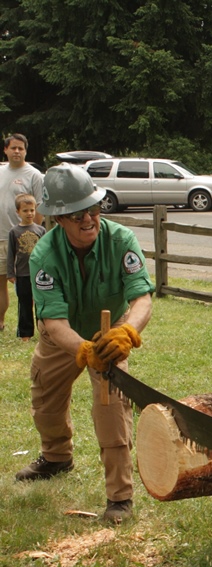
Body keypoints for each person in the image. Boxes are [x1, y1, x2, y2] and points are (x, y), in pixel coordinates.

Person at [15, 164, 154, 524]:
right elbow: (54, 322)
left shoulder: (122, 239)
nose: (89, 219)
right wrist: (83, 351)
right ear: (59, 218)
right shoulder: (44, 255)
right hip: (60, 337)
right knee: (45, 401)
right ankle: (57, 456)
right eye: (78, 215)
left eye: (94, 209)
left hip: (110, 335)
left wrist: (126, 334)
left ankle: (119, 498)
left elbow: (142, 299)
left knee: (111, 411)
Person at [0, 133, 44, 332]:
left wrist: (30, 234)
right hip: (1, 237)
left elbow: (40, 208)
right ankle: (0, 322)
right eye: (13, 148)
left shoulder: (34, 175)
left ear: (26, 151)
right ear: (5, 150)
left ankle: (29, 324)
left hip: (23, 240)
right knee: (1, 283)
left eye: (20, 148)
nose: (16, 151)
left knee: (27, 285)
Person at [7, 193, 45, 341]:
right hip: (22, 274)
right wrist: (11, 273)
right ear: (18, 212)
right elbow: (11, 254)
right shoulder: (14, 232)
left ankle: (43, 331)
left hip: (39, 274)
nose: (29, 213)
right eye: (25, 210)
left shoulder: (40, 230)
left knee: (41, 304)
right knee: (24, 304)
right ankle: (25, 333)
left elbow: (46, 253)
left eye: (32, 210)